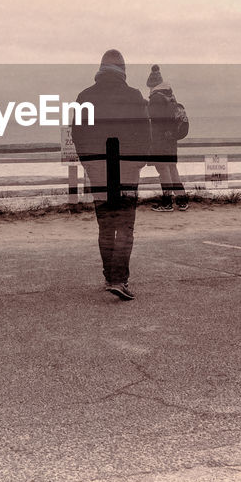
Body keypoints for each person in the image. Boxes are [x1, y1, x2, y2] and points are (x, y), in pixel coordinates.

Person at [71, 49, 150, 300]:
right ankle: (119, 279)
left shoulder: (85, 96)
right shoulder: (134, 96)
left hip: (99, 172)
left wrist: (89, 163)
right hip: (126, 169)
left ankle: (109, 277)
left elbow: (78, 135)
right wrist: (138, 163)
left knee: (105, 226)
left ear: (101, 69)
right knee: (125, 225)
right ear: (123, 70)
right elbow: (145, 134)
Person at [146, 64, 189, 212]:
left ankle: (167, 203)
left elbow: (153, 119)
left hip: (160, 141)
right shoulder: (170, 96)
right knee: (172, 169)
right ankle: (182, 201)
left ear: (152, 86)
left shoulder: (156, 99)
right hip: (171, 141)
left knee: (163, 171)